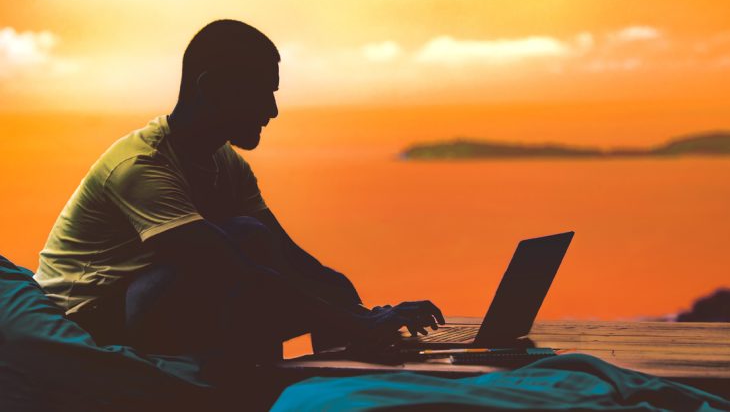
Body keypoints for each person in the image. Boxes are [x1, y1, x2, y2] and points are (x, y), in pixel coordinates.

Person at [33, 19, 444, 366]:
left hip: (151, 300)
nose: (272, 110)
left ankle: (341, 386)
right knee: (248, 248)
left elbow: (289, 258)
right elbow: (230, 267)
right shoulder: (140, 166)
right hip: (87, 320)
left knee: (318, 280)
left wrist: (368, 315)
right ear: (212, 89)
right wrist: (354, 322)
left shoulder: (225, 162)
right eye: (262, 92)